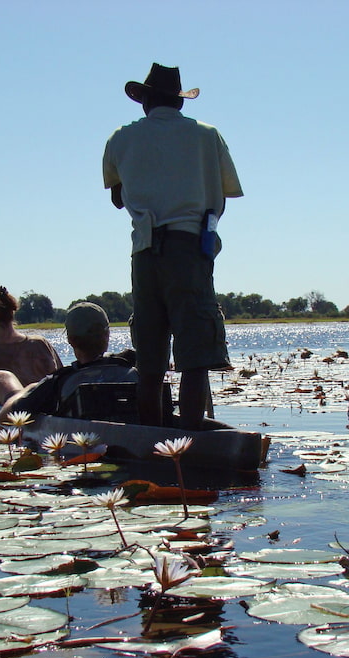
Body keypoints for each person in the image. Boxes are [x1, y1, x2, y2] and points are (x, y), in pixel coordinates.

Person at [102, 63, 243, 430]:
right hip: (190, 249)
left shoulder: (121, 138)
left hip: (145, 252)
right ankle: (191, 441)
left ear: (145, 101)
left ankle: (151, 442)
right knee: (195, 357)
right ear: (179, 102)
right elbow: (226, 192)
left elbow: (117, 198)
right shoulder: (207, 136)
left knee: (149, 361)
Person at [0, 302, 139, 423]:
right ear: (107, 334)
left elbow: (4, 417)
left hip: (79, 444)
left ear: (70, 340)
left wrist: (30, 389)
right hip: (132, 441)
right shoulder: (135, 370)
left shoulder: (58, 382)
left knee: (1, 377)